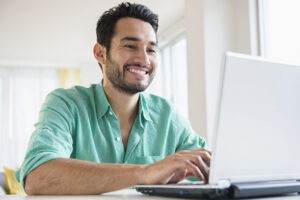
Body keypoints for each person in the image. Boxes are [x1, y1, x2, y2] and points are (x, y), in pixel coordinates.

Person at [15, 2, 211, 195]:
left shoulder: (168, 116)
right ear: (100, 53)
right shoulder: (66, 104)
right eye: (130, 46)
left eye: (151, 50)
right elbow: (37, 177)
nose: (144, 60)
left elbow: (215, 168)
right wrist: (148, 172)